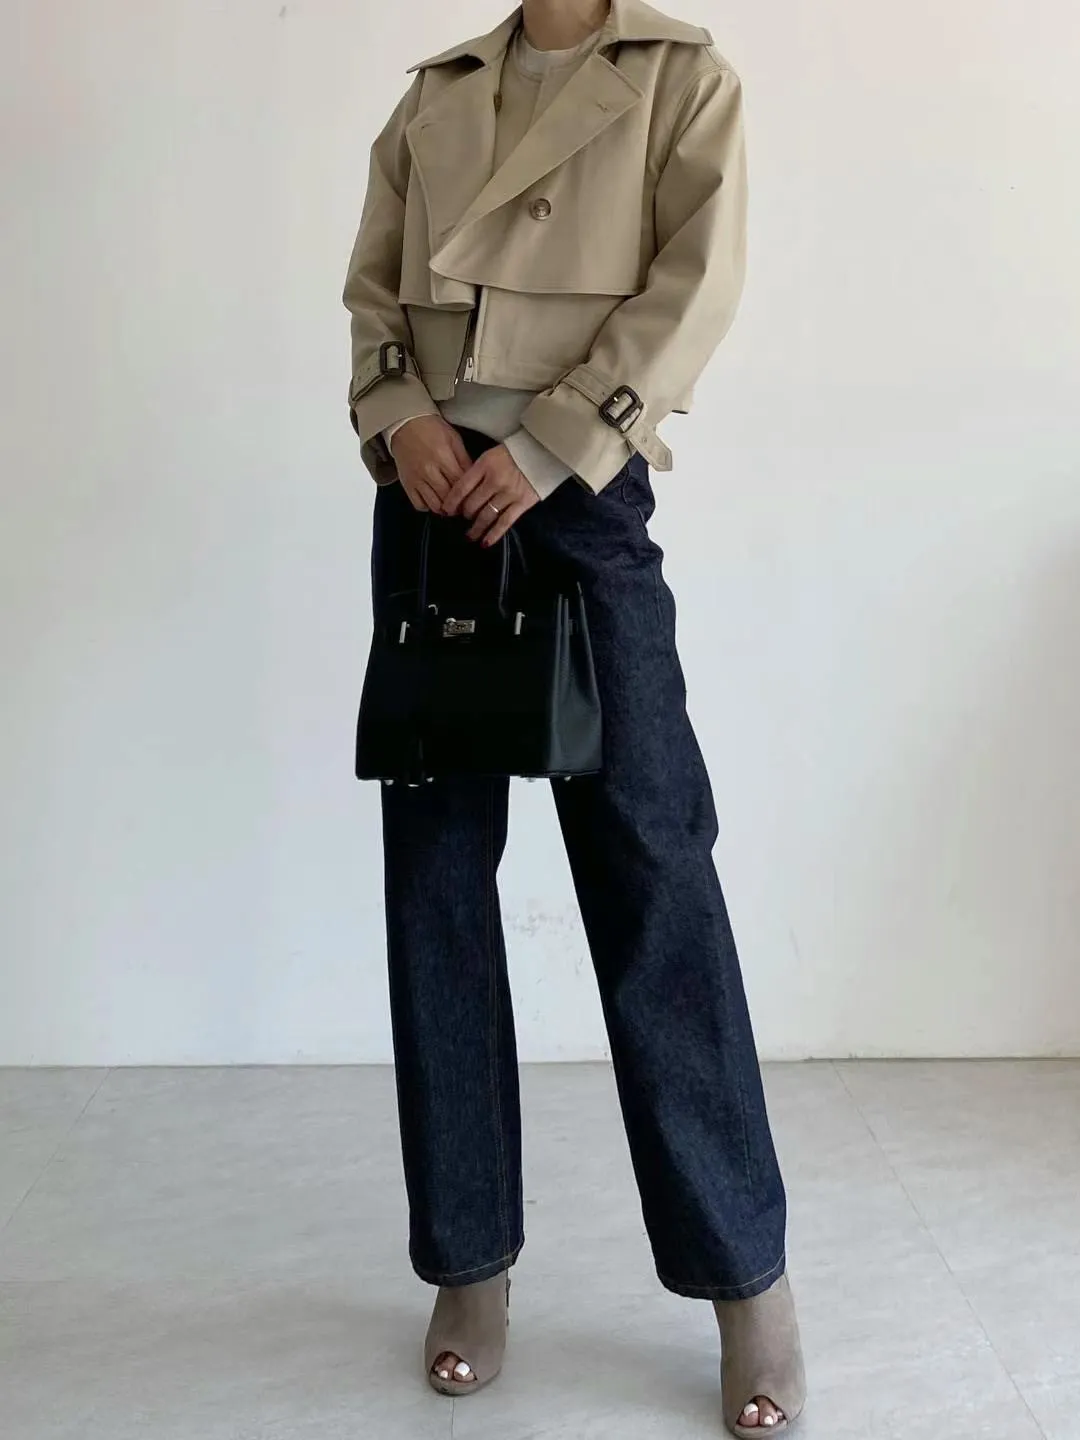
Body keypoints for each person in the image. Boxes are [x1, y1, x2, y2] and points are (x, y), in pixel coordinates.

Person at [342, 1, 806, 1433]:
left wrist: (556, 443)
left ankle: (748, 1281)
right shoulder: (437, 94)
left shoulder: (682, 82)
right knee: (435, 885)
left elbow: (694, 285)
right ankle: (467, 1263)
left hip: (582, 503)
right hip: (430, 507)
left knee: (653, 866)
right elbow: (373, 294)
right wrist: (400, 418)